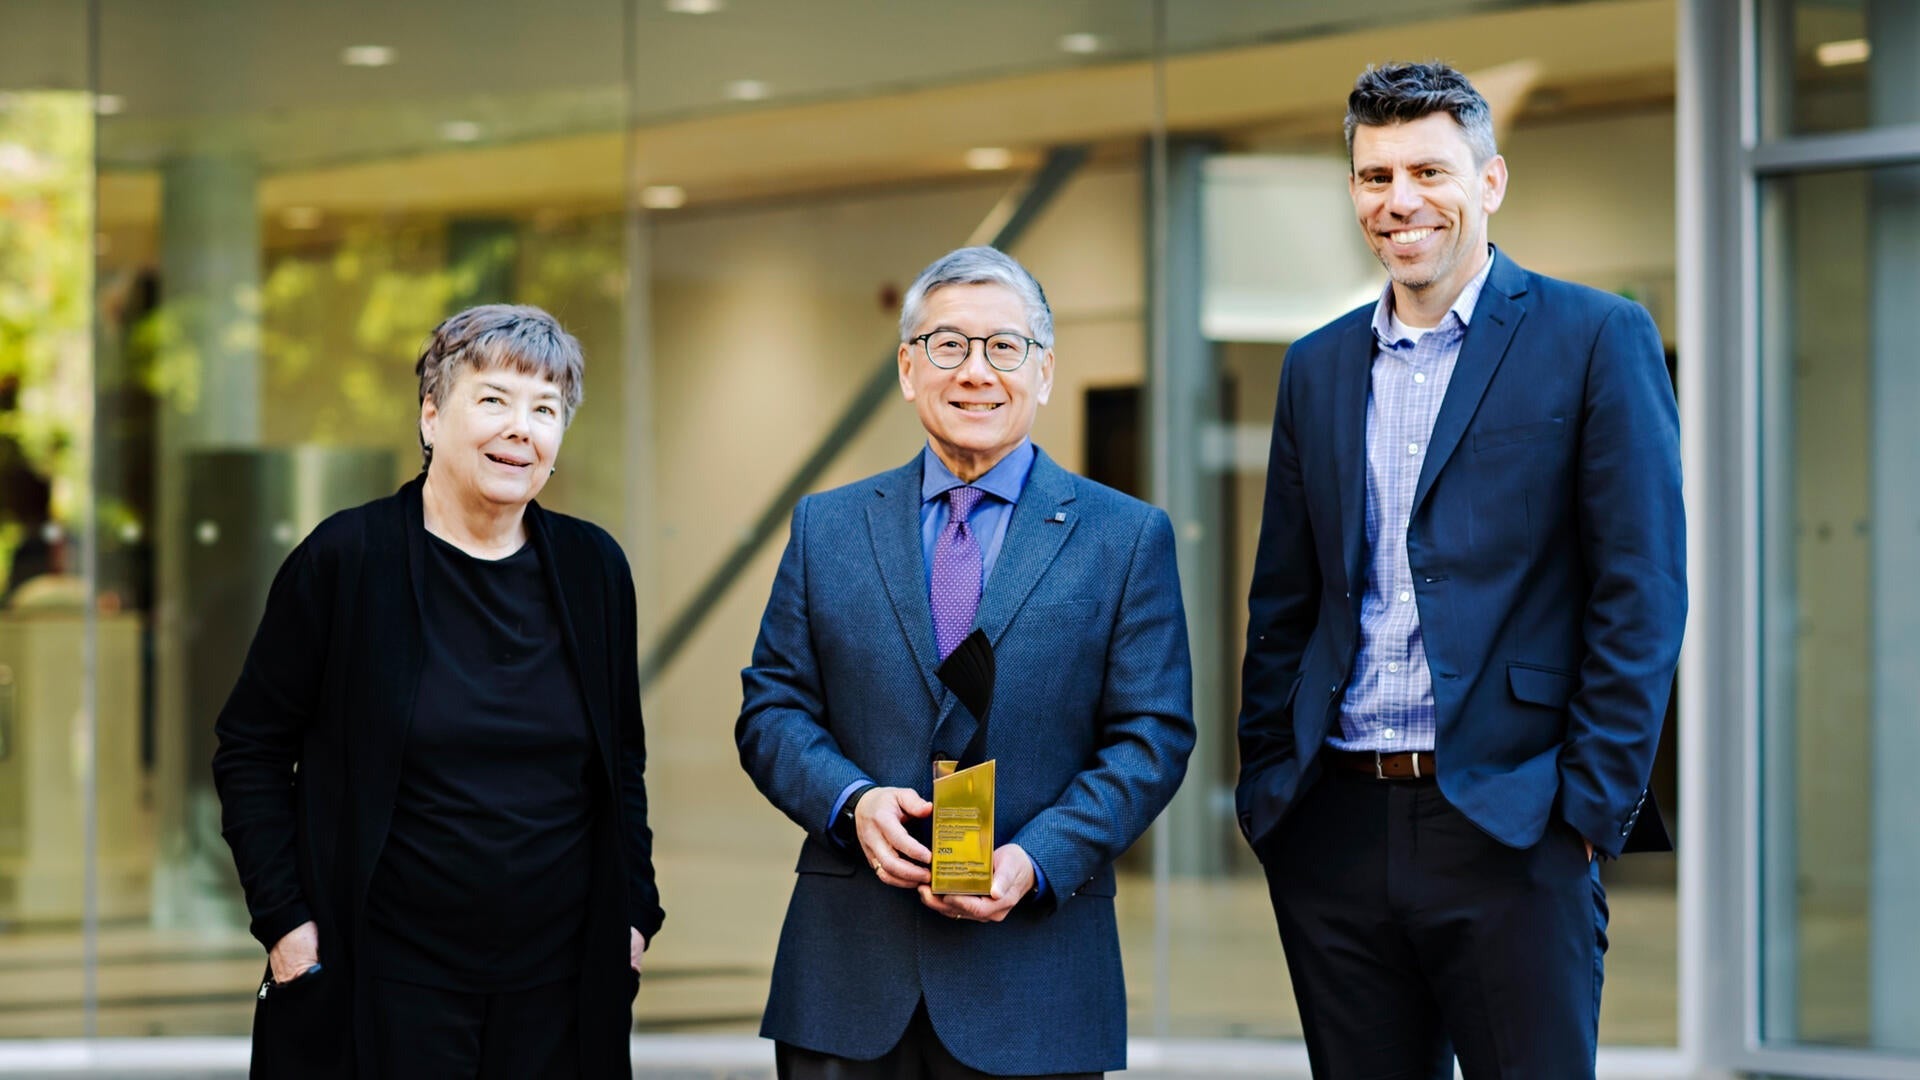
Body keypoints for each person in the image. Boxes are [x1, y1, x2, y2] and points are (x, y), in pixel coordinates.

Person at [1234, 62, 1685, 1078]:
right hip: (1336, 823)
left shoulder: (1596, 337)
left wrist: (1584, 812)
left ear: (1490, 181)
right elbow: (1286, 598)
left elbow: (1641, 590)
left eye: (1429, 171)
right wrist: (1273, 790)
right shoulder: (1317, 364)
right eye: (1374, 176)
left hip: (1514, 823)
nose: (1401, 202)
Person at [736, 246, 1194, 1079]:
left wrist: (1038, 857)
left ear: (1045, 371)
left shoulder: (1124, 538)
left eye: (1004, 347)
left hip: (1036, 982)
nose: (976, 371)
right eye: (948, 345)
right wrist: (851, 802)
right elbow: (772, 708)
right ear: (909, 369)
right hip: (846, 984)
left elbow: (1151, 738)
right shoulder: (826, 528)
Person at [212, 304, 663, 1078]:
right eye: (493, 400)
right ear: (430, 415)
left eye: (545, 409)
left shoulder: (594, 570)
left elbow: (620, 762)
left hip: (557, 986)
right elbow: (250, 750)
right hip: (384, 980)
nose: (521, 428)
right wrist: (285, 925)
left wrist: (635, 913)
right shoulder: (345, 560)